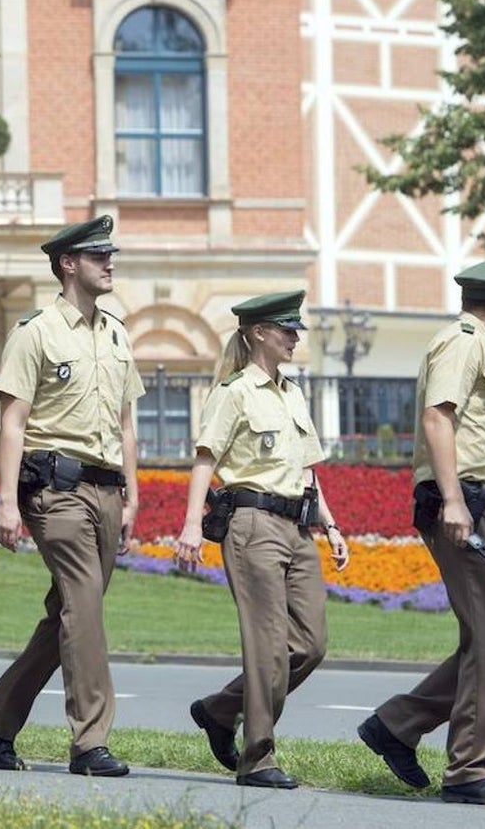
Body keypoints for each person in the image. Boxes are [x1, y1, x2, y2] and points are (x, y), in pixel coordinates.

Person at [0, 214, 143, 778]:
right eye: (99, 255)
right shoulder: (36, 331)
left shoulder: (116, 333)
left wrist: (133, 496)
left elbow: (126, 424)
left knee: (70, 613)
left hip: (108, 491)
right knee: (84, 607)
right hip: (56, 492)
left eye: (109, 254)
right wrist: (8, 502)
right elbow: (12, 420)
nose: (109, 262)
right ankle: (90, 742)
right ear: (69, 264)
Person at [358, 258, 485, 806]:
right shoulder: (463, 341)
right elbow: (438, 417)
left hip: (479, 508)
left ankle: (397, 725)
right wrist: (455, 501)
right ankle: (470, 771)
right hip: (460, 506)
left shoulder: (472, 341)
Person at [172, 290, 349, 789]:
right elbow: (206, 459)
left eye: (296, 330)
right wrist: (190, 526)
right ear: (258, 334)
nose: (295, 337)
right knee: (267, 647)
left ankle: (219, 709)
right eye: (286, 329)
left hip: (297, 527)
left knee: (310, 645)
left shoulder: (292, 393)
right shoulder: (234, 392)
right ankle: (258, 757)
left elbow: (308, 470)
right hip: (252, 526)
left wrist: (330, 525)